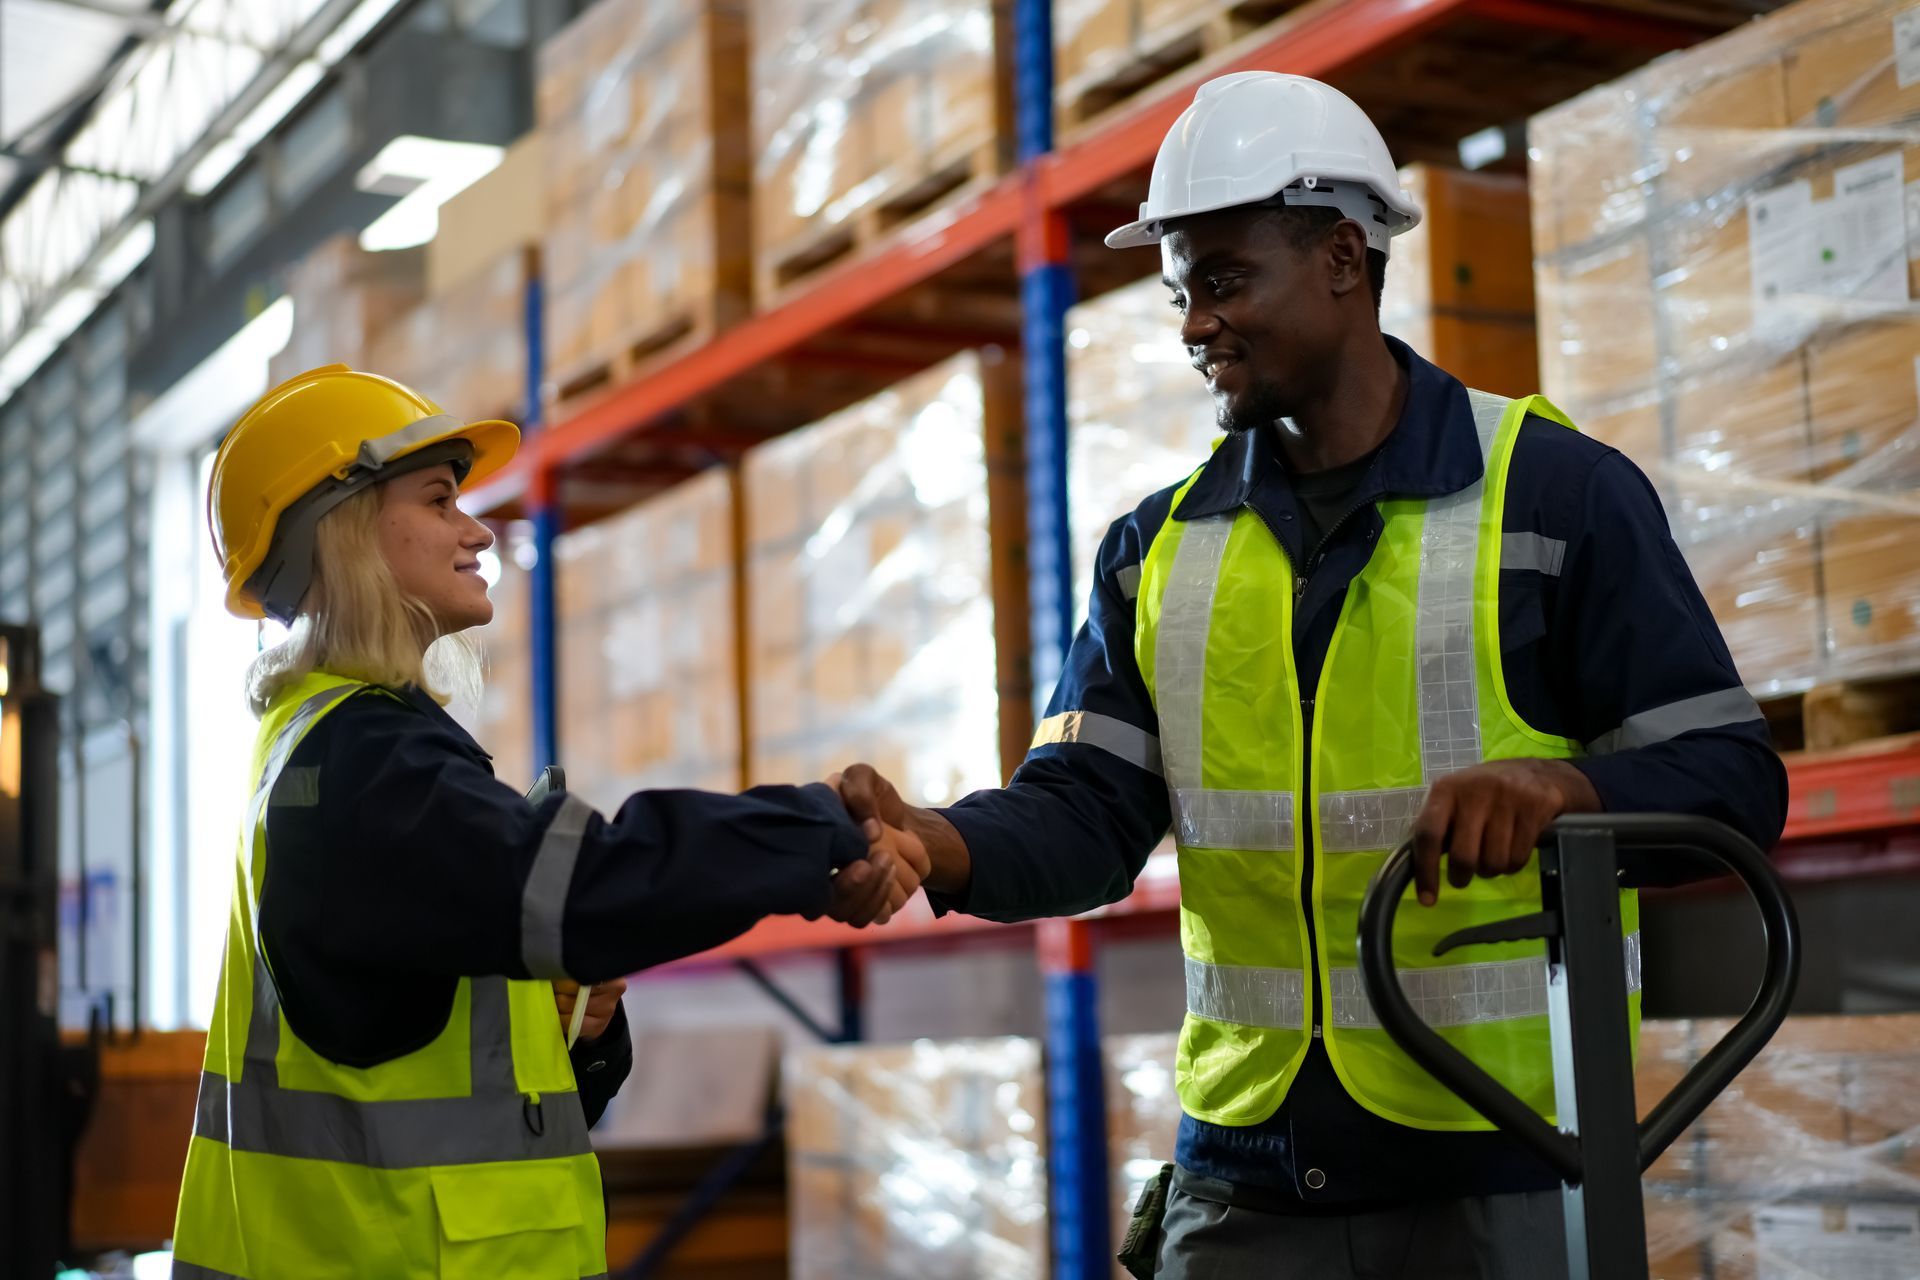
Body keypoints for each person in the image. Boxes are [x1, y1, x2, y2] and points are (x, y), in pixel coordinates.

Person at [833, 72, 1787, 1279]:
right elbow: (1086, 813)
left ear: (1344, 257)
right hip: (1247, 1179)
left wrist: (1565, 796)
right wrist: (938, 840)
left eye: (1225, 281)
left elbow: (1733, 783)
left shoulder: (1555, 496)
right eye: (1180, 292)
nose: (1192, 326)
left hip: (1494, 1164)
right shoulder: (1156, 549)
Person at [171, 364, 927, 1279]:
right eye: (442, 499)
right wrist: (819, 831)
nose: (478, 529)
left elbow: (447, 1077)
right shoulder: (361, 765)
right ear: (347, 529)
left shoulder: (343, 751)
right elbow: (586, 889)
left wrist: (583, 1031)